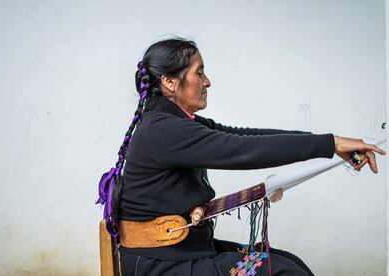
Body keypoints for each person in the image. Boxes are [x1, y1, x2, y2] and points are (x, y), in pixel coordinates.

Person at [97, 37, 385, 276]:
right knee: (283, 272)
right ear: (171, 82)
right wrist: (331, 144)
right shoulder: (164, 130)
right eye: (199, 72)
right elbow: (244, 150)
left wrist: (331, 143)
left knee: (286, 263)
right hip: (162, 266)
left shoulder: (174, 123)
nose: (207, 81)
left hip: (182, 253)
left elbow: (247, 137)